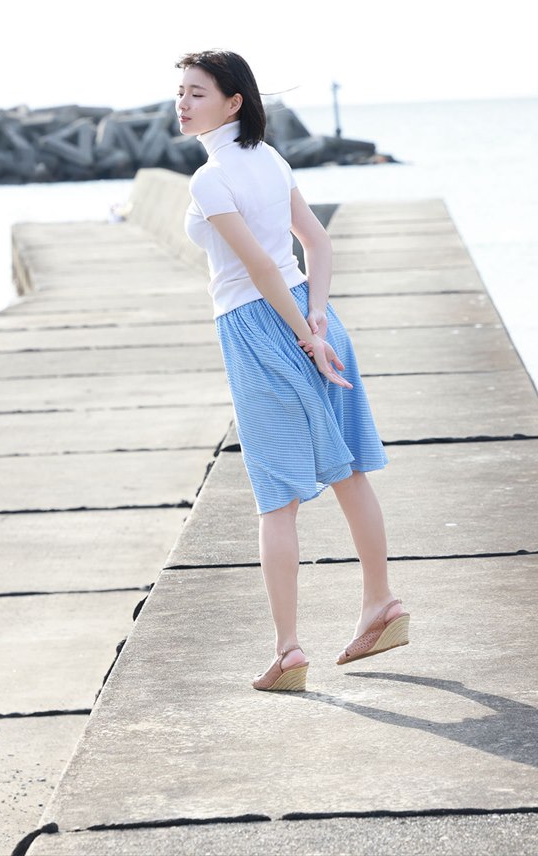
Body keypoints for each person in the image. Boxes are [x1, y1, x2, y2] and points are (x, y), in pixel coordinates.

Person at [178, 50, 410, 692]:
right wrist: (319, 318)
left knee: (276, 498)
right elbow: (317, 244)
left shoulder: (210, 179)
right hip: (310, 314)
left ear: (234, 102)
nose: (183, 104)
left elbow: (258, 267)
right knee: (350, 471)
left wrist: (308, 335)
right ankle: (381, 603)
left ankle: (288, 652)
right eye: (181, 92)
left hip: (260, 330)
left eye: (197, 93)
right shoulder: (271, 160)